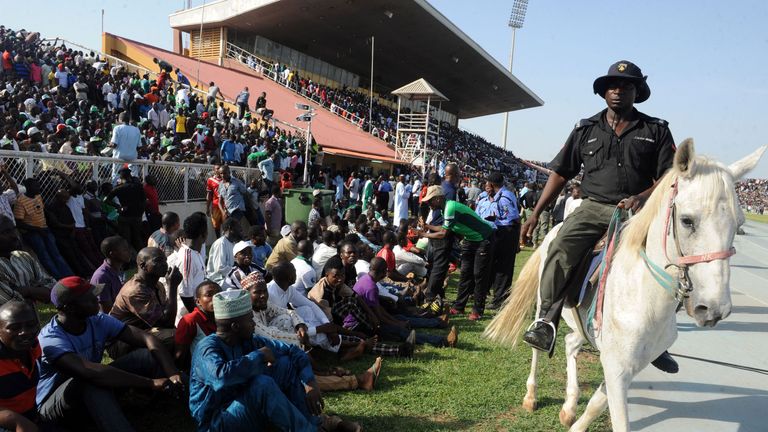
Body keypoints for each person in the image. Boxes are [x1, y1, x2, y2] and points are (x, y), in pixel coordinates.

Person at [519, 61, 679, 373]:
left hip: (639, 211)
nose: (618, 91)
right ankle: (546, 321)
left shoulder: (656, 129)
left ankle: (659, 339)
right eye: (612, 85)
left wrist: (643, 198)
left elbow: (671, 173)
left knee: (668, 262)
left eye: (626, 86)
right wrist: (535, 215)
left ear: (637, 92)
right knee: (560, 249)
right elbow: (561, 172)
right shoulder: (585, 129)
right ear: (603, 92)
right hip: (593, 208)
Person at [188, 289, 361, 431]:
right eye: (250, 320)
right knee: (262, 384)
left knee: (285, 365)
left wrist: (310, 383)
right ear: (235, 327)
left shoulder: (249, 340)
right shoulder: (207, 348)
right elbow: (222, 377)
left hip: (244, 405)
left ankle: (316, 424)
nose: (254, 324)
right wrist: (259, 356)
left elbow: (293, 351)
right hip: (218, 421)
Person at [37, 276, 184, 431]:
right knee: (89, 382)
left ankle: (182, 393)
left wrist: (172, 373)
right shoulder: (50, 339)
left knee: (146, 355)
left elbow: (147, 338)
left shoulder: (96, 319)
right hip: (54, 406)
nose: (97, 299)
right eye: (90, 298)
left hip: (92, 383)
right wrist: (150, 383)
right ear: (70, 308)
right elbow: (90, 372)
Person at [421, 186, 496, 321]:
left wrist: (423, 234)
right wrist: (428, 227)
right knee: (465, 273)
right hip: (470, 240)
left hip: (483, 239)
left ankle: (478, 310)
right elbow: (446, 228)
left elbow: (443, 234)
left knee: (479, 275)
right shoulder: (445, 209)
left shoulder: (450, 207)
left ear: (438, 199)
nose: (429, 204)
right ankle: (459, 306)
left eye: (430, 201)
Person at [109, 247, 182, 358]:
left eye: (165, 260)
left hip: (141, 332)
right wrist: (172, 287)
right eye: (158, 260)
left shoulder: (158, 285)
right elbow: (166, 323)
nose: (165, 264)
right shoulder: (135, 291)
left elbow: (166, 319)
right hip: (121, 342)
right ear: (143, 265)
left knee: (184, 330)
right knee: (175, 337)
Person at [476, 172, 521, 309]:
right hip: (499, 232)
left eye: (487, 183)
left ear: (491, 184)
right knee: (495, 266)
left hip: (506, 232)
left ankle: (500, 300)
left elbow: (513, 218)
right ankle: (495, 296)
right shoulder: (498, 195)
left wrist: (495, 219)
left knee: (503, 268)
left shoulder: (505, 197)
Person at [13, 178, 73, 279]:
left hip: (44, 229)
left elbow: (42, 210)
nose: (39, 188)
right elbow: (19, 223)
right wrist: (37, 229)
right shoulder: (21, 202)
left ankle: (69, 277)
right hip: (32, 233)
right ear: (28, 187)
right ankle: (59, 278)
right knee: (45, 256)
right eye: (36, 186)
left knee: (56, 254)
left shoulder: (38, 196)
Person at [0, 301, 41, 432]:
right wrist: (15, 420)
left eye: (31, 325)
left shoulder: (33, 346)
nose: (25, 332)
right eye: (14, 327)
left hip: (33, 416)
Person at [0, 215, 55, 306]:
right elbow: (12, 303)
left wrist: (27, 291)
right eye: (6, 232)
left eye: (13, 229)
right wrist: (37, 291)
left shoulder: (23, 257)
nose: (14, 235)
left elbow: (53, 289)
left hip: (34, 318)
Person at [175, 281, 221, 369]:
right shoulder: (190, 321)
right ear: (198, 301)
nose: (215, 298)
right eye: (209, 295)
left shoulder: (224, 318)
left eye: (218, 294)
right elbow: (180, 356)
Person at [172, 212, 208, 326]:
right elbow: (185, 295)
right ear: (204, 234)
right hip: (189, 320)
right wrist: (201, 320)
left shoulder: (195, 252)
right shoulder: (187, 257)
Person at [106, 168, 147, 254]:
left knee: (125, 240)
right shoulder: (138, 186)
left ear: (121, 177)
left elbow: (106, 200)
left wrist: (118, 206)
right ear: (130, 175)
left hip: (124, 216)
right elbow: (144, 201)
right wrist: (140, 212)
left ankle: (126, 260)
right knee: (137, 238)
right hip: (137, 216)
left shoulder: (119, 188)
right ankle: (143, 257)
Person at [91, 236, 130, 313]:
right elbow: (106, 310)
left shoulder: (119, 268)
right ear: (112, 254)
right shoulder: (101, 277)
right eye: (125, 250)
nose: (129, 252)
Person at [207, 217, 242, 285]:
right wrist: (238, 273)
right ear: (230, 228)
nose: (240, 229)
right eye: (238, 227)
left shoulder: (233, 244)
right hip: (218, 281)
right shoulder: (221, 243)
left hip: (229, 278)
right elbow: (220, 268)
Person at [109, 112, 141, 181]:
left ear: (120, 120)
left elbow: (114, 144)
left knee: (116, 175)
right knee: (134, 175)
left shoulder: (117, 128)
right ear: (129, 119)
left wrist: (109, 144)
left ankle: (115, 188)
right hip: (132, 157)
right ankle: (135, 188)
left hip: (119, 156)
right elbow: (139, 147)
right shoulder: (136, 129)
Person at [206, 165, 224, 238]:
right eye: (217, 168)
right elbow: (209, 194)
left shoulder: (226, 179)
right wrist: (207, 207)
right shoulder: (210, 180)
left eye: (220, 168)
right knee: (216, 225)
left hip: (225, 205)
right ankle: (218, 240)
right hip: (215, 205)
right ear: (214, 170)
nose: (219, 170)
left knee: (226, 224)